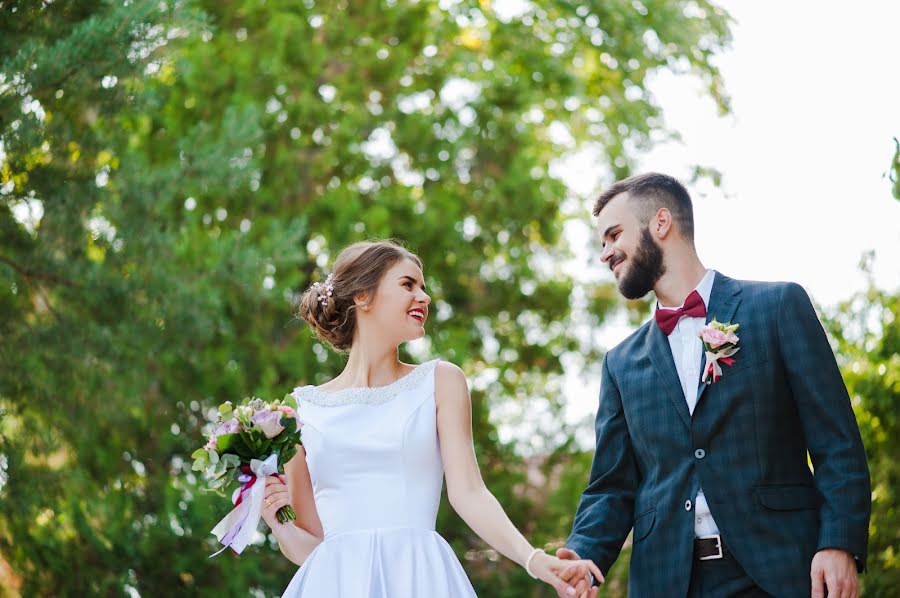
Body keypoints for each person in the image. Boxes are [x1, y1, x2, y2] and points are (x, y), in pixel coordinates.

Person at [555, 173, 871, 598]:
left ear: (661, 223)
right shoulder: (619, 364)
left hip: (783, 572)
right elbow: (612, 486)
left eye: (614, 236)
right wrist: (582, 555)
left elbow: (837, 443)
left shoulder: (777, 307)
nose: (605, 253)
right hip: (667, 582)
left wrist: (839, 542)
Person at [259, 240, 601, 597]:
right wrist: (279, 524)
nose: (424, 297)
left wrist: (535, 560)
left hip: (420, 578)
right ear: (363, 295)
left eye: (423, 287)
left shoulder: (441, 382)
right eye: (408, 285)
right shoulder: (300, 410)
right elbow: (314, 549)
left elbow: (470, 494)